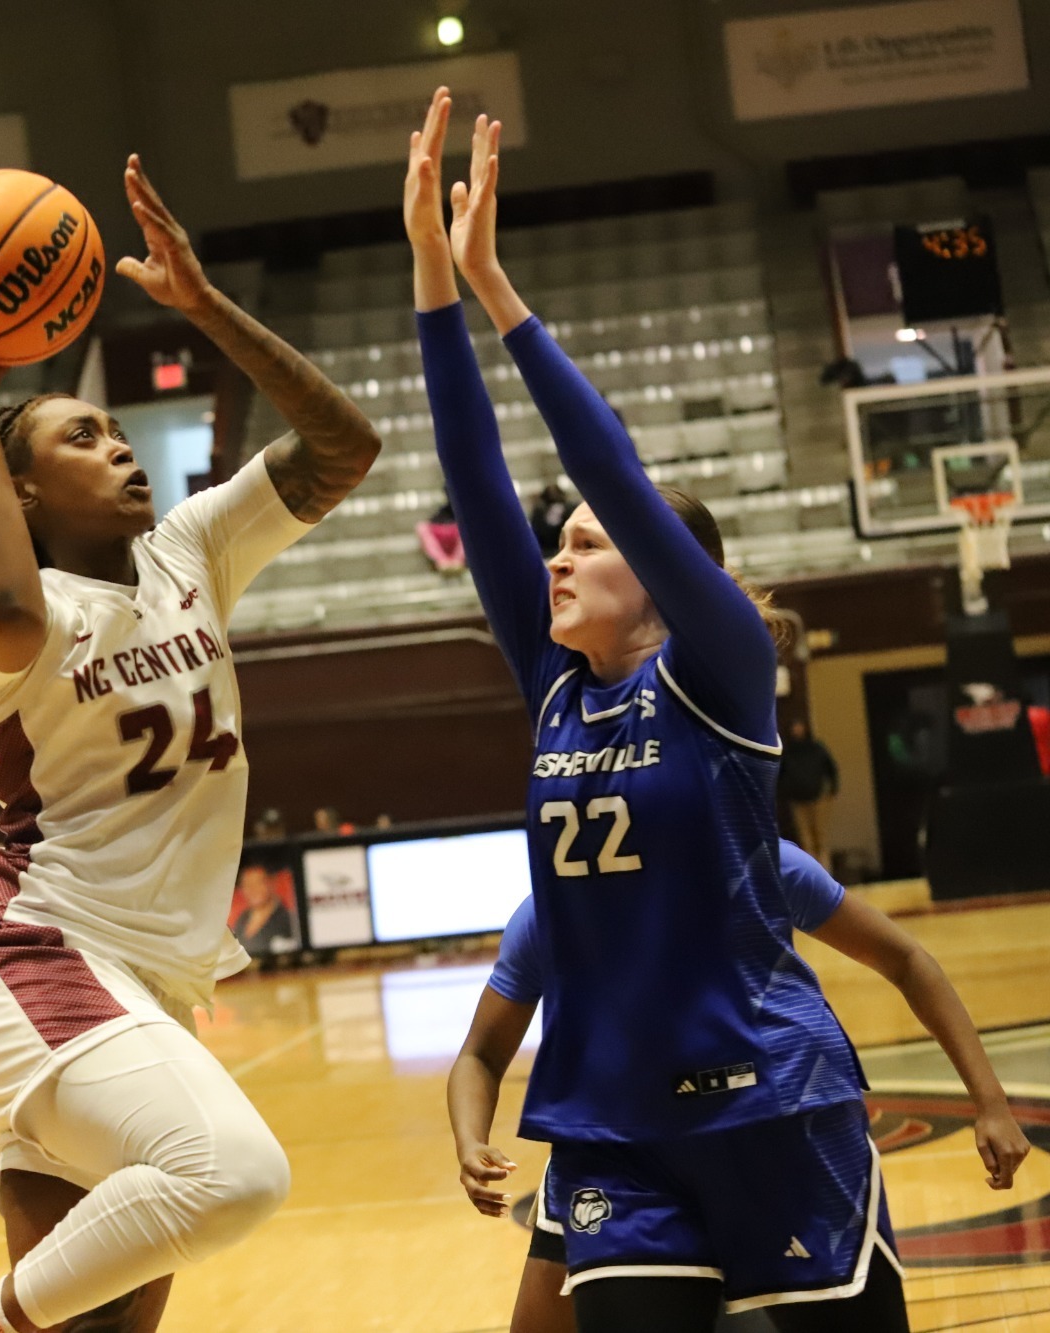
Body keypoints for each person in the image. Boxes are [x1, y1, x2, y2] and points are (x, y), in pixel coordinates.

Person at [409, 90, 905, 1329]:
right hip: (615, 1126)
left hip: (771, 1104)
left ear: (660, 578)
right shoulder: (557, 688)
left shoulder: (721, 670)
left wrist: (499, 295)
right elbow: (474, 485)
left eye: (586, 543)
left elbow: (613, 477)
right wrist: (430, 285)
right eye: (556, 545)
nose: (556, 560)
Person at [0, 152, 379, 1333]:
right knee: (235, 1174)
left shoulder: (189, 552)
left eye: (115, 429)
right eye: (79, 437)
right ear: (20, 489)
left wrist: (205, 310)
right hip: (37, 960)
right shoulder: (10, 620)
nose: (118, 446)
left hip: (136, 985)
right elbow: (7, 609)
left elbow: (342, 449)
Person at [449, 841, 1032, 1333]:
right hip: (621, 1139)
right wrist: (469, 1140)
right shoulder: (554, 913)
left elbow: (906, 958)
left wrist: (992, 1103)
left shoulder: (758, 864)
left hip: (770, 1129)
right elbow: (480, 1052)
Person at [779, 720, 840, 867]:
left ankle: (826, 874)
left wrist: (833, 789)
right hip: (797, 800)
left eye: (800, 727)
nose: (797, 731)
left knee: (821, 838)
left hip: (818, 798)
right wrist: (785, 792)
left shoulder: (817, 748)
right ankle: (813, 876)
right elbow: (780, 774)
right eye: (794, 728)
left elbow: (831, 768)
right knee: (806, 840)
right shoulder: (788, 752)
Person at [230, 865, 296, 961]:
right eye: (247, 884)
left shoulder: (289, 921)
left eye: (258, 883)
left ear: (272, 883)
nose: (252, 889)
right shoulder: (241, 920)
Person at [417, 493, 466, 571]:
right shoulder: (440, 513)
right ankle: (443, 561)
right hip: (442, 530)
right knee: (422, 528)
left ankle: (456, 561)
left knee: (465, 528)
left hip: (456, 529)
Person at [530, 481, 574, 560]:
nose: (553, 495)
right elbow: (536, 530)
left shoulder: (570, 508)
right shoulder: (539, 511)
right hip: (547, 551)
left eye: (555, 493)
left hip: (566, 549)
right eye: (550, 493)